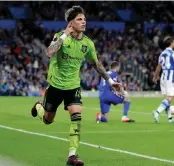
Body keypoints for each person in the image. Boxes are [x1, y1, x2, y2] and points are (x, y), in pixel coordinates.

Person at [30, 6, 122, 166]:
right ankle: (39, 107)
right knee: (47, 120)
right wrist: (65, 34)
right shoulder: (60, 36)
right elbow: (49, 52)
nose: (83, 22)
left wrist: (110, 81)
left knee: (77, 116)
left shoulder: (87, 43)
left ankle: (72, 155)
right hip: (55, 85)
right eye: (79, 19)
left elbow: (96, 64)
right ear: (71, 23)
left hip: (73, 86)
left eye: (84, 19)